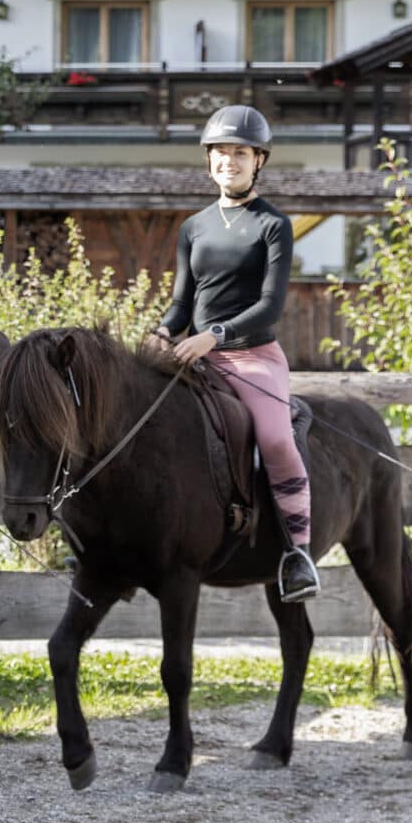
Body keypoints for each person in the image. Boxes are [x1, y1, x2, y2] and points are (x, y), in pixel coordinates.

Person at [149, 105, 320, 601]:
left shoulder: (273, 226)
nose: (229, 161)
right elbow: (183, 303)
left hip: (251, 358)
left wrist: (214, 335)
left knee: (276, 438)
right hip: (192, 356)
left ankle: (297, 554)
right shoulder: (194, 227)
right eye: (221, 153)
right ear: (209, 162)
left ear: (258, 161)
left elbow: (269, 306)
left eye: (239, 153)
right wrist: (162, 332)